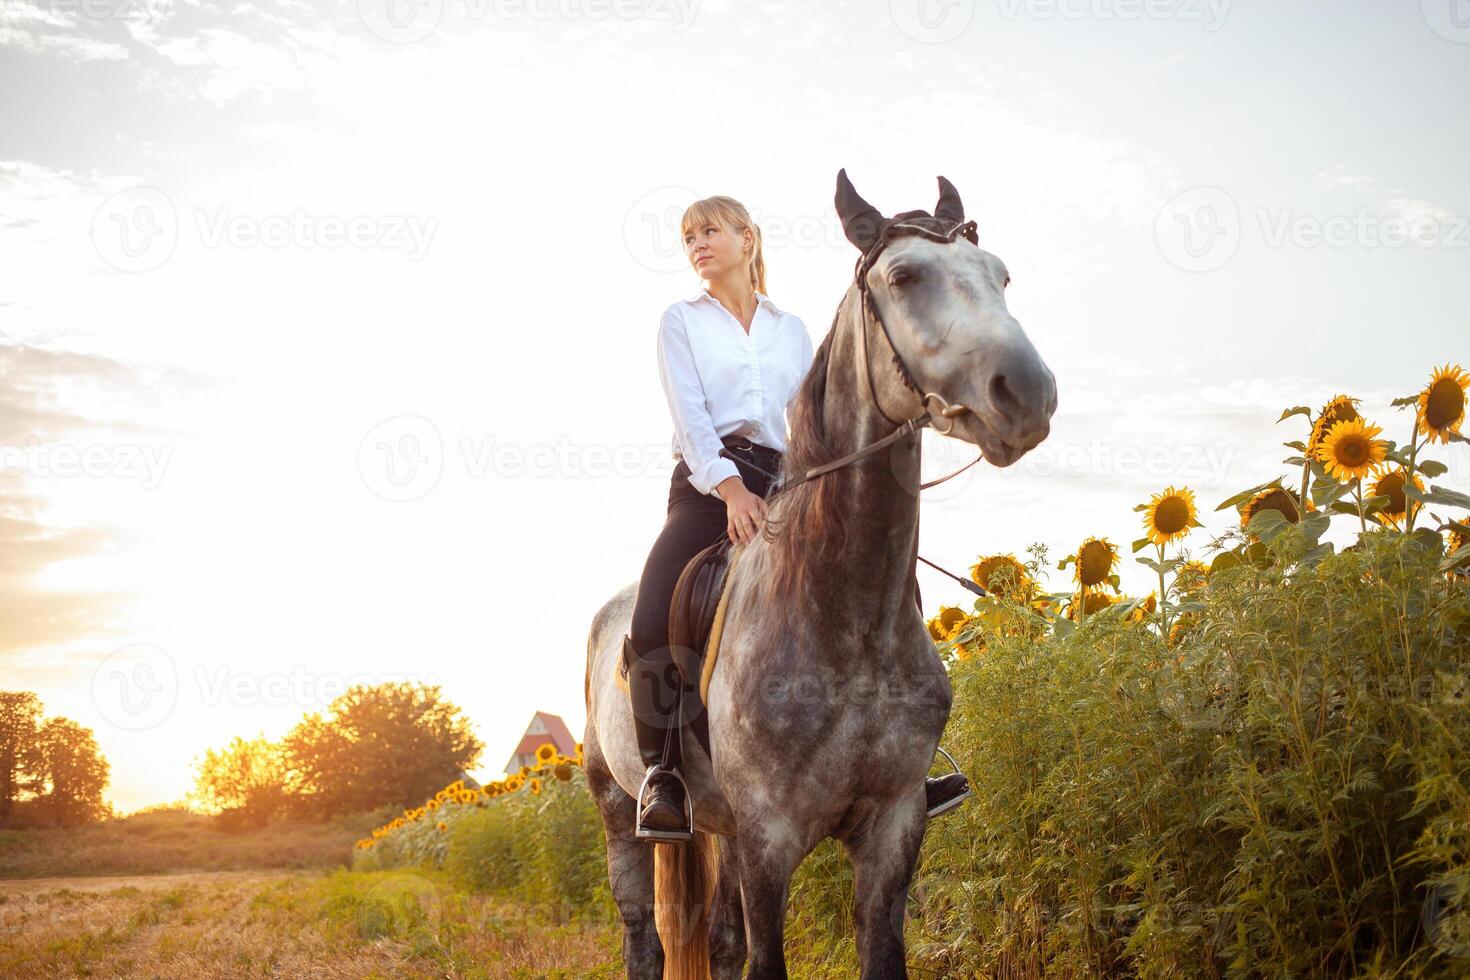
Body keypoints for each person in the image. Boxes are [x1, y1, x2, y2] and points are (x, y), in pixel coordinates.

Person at [624, 194, 970, 841]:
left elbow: (809, 418)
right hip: (708, 487)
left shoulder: (790, 329)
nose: (698, 243)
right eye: (689, 236)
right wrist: (731, 494)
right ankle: (662, 772)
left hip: (790, 483)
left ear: (748, 239)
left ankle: (910, 763)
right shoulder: (681, 321)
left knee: (891, 584)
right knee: (653, 614)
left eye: (711, 230)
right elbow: (691, 418)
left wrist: (825, 487)